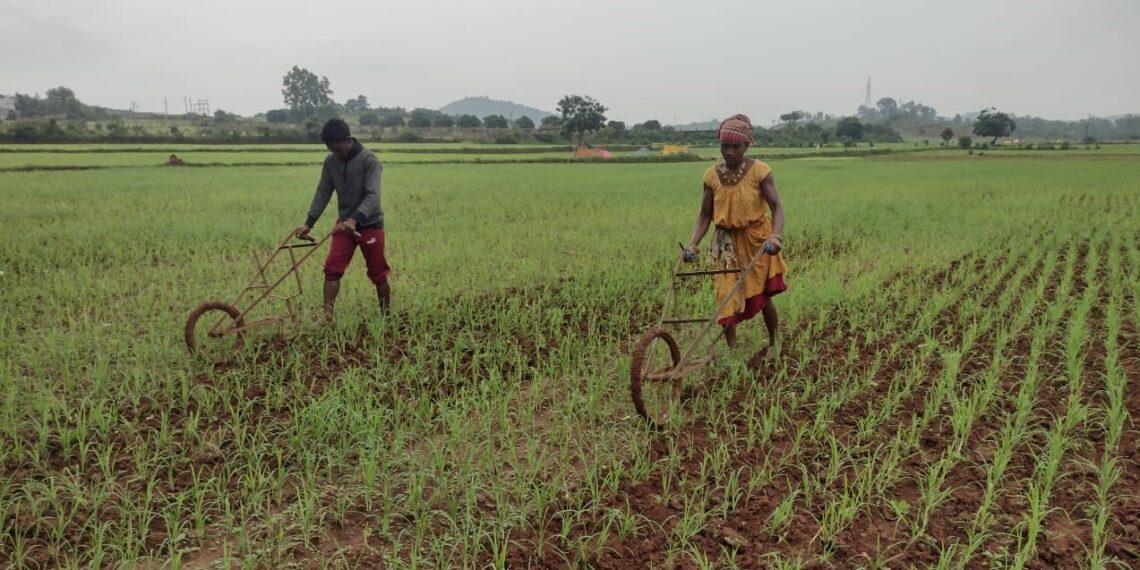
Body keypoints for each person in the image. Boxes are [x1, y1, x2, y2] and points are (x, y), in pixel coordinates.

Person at [683, 114, 788, 359]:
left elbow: (778, 208)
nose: (729, 152)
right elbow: (704, 216)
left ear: (746, 146)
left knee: (761, 293)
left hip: (756, 240)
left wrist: (776, 236)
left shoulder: (760, 172)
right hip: (725, 243)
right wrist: (693, 244)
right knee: (725, 296)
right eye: (724, 146)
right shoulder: (711, 176)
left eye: (735, 146)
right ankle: (733, 351)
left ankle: (774, 342)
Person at [294, 118, 389, 321]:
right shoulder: (331, 162)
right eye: (332, 150)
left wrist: (355, 220)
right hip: (343, 225)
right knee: (332, 269)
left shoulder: (369, 160)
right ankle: (327, 316)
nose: (337, 154)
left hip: (370, 224)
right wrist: (308, 223)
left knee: (378, 273)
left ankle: (386, 316)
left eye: (339, 149)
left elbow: (373, 196)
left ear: (348, 140)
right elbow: (323, 191)